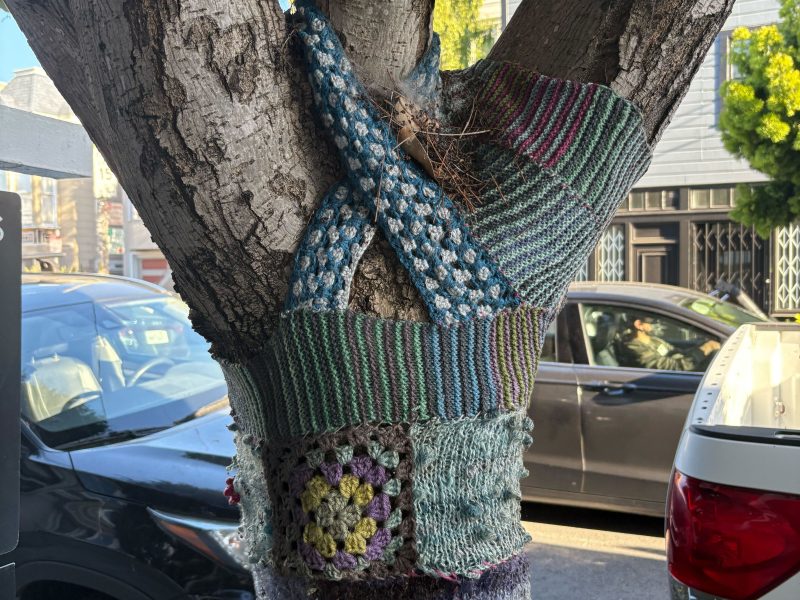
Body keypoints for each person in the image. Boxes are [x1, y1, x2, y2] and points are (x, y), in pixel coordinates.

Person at [618, 313, 720, 371]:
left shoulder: (652, 339)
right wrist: (706, 348)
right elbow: (675, 368)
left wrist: (701, 347)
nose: (656, 323)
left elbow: (677, 352)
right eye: (652, 321)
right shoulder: (635, 348)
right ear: (639, 324)